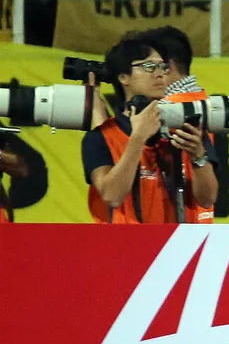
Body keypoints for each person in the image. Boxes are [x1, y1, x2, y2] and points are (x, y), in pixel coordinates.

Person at [81, 33, 218, 224]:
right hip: (129, 242)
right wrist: (138, 138)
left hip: (181, 241)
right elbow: (112, 196)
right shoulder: (101, 137)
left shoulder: (186, 127)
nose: (160, 73)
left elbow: (208, 199)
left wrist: (198, 156)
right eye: (149, 67)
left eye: (162, 66)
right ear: (124, 77)